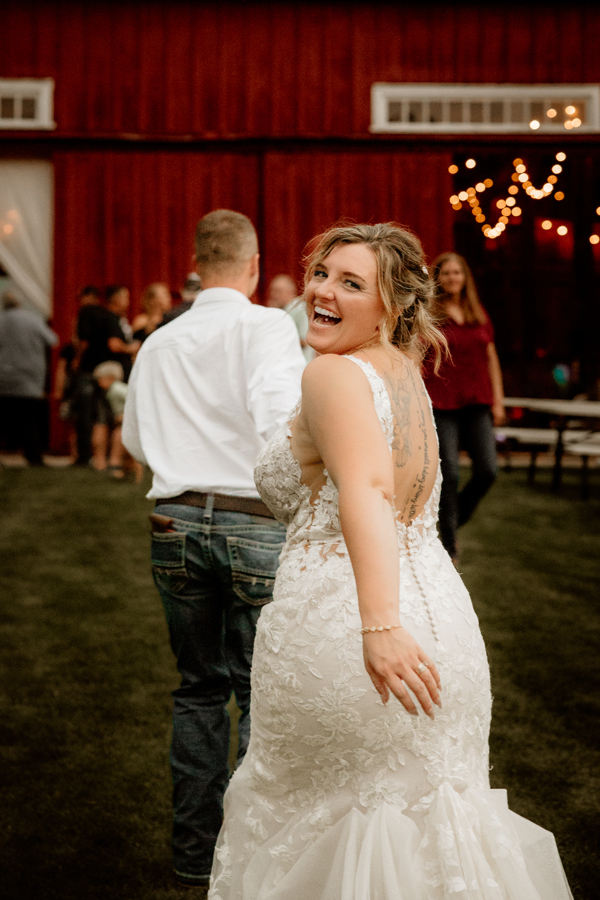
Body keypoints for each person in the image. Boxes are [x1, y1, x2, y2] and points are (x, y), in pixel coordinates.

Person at [208, 223, 572, 900]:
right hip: (444, 627)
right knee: (430, 825)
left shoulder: (333, 374)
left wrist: (378, 626)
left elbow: (370, 490)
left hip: (354, 630)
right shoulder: (403, 375)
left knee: (333, 823)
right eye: (321, 273)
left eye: (352, 283)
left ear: (393, 306)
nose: (322, 290)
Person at [122, 209, 306, 891]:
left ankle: (194, 856)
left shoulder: (160, 341)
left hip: (173, 523)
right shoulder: (266, 327)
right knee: (262, 693)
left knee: (198, 690)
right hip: (253, 519)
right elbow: (279, 428)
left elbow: (136, 443)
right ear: (254, 267)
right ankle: (252, 859)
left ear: (197, 263)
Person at [422, 252, 505, 562]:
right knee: (451, 474)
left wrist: (498, 399)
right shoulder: (430, 313)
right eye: (446, 273)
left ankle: (451, 521)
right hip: (441, 402)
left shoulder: (477, 312)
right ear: (438, 278)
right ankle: (450, 544)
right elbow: (418, 356)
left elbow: (491, 357)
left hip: (477, 401)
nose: (452, 278)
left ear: (464, 277)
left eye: (457, 272)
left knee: (487, 470)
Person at [0, 292, 58, 465]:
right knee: (29, 418)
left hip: (3, 375)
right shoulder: (32, 319)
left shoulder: (1, 320)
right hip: (29, 376)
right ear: (20, 303)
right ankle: (33, 456)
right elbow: (52, 339)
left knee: (3, 416)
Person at [92, 361, 142, 480]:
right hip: (124, 419)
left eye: (100, 379)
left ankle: (122, 466)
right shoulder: (112, 390)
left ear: (111, 378)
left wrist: (126, 414)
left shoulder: (117, 389)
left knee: (123, 440)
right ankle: (123, 468)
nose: (99, 383)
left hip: (129, 418)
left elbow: (134, 398)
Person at [266, 274, 315, 362]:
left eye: (277, 291)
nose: (273, 295)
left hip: (301, 366)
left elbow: (307, 341)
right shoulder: (281, 311)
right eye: (271, 291)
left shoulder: (300, 309)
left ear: (289, 292)